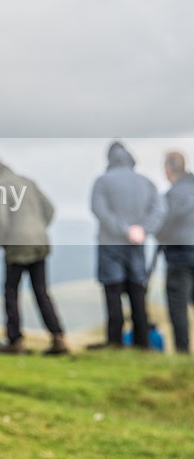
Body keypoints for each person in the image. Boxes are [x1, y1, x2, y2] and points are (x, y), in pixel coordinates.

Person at [0, 158, 67, 355]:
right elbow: (50, 209)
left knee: (11, 291)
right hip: (40, 240)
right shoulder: (27, 181)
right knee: (41, 290)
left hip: (17, 244)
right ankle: (58, 337)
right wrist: (38, 229)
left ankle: (15, 341)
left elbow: (1, 220)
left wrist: (4, 241)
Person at [90, 141, 166, 350]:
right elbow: (159, 210)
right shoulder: (146, 182)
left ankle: (114, 343)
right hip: (136, 246)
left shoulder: (102, 182)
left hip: (110, 245)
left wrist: (123, 229)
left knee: (113, 295)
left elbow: (99, 210)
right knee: (137, 293)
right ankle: (142, 344)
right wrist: (142, 229)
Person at [156, 151, 194, 354]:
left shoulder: (174, 194)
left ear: (169, 169)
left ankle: (182, 351)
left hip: (180, 255)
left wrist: (160, 236)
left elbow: (163, 222)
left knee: (178, 305)